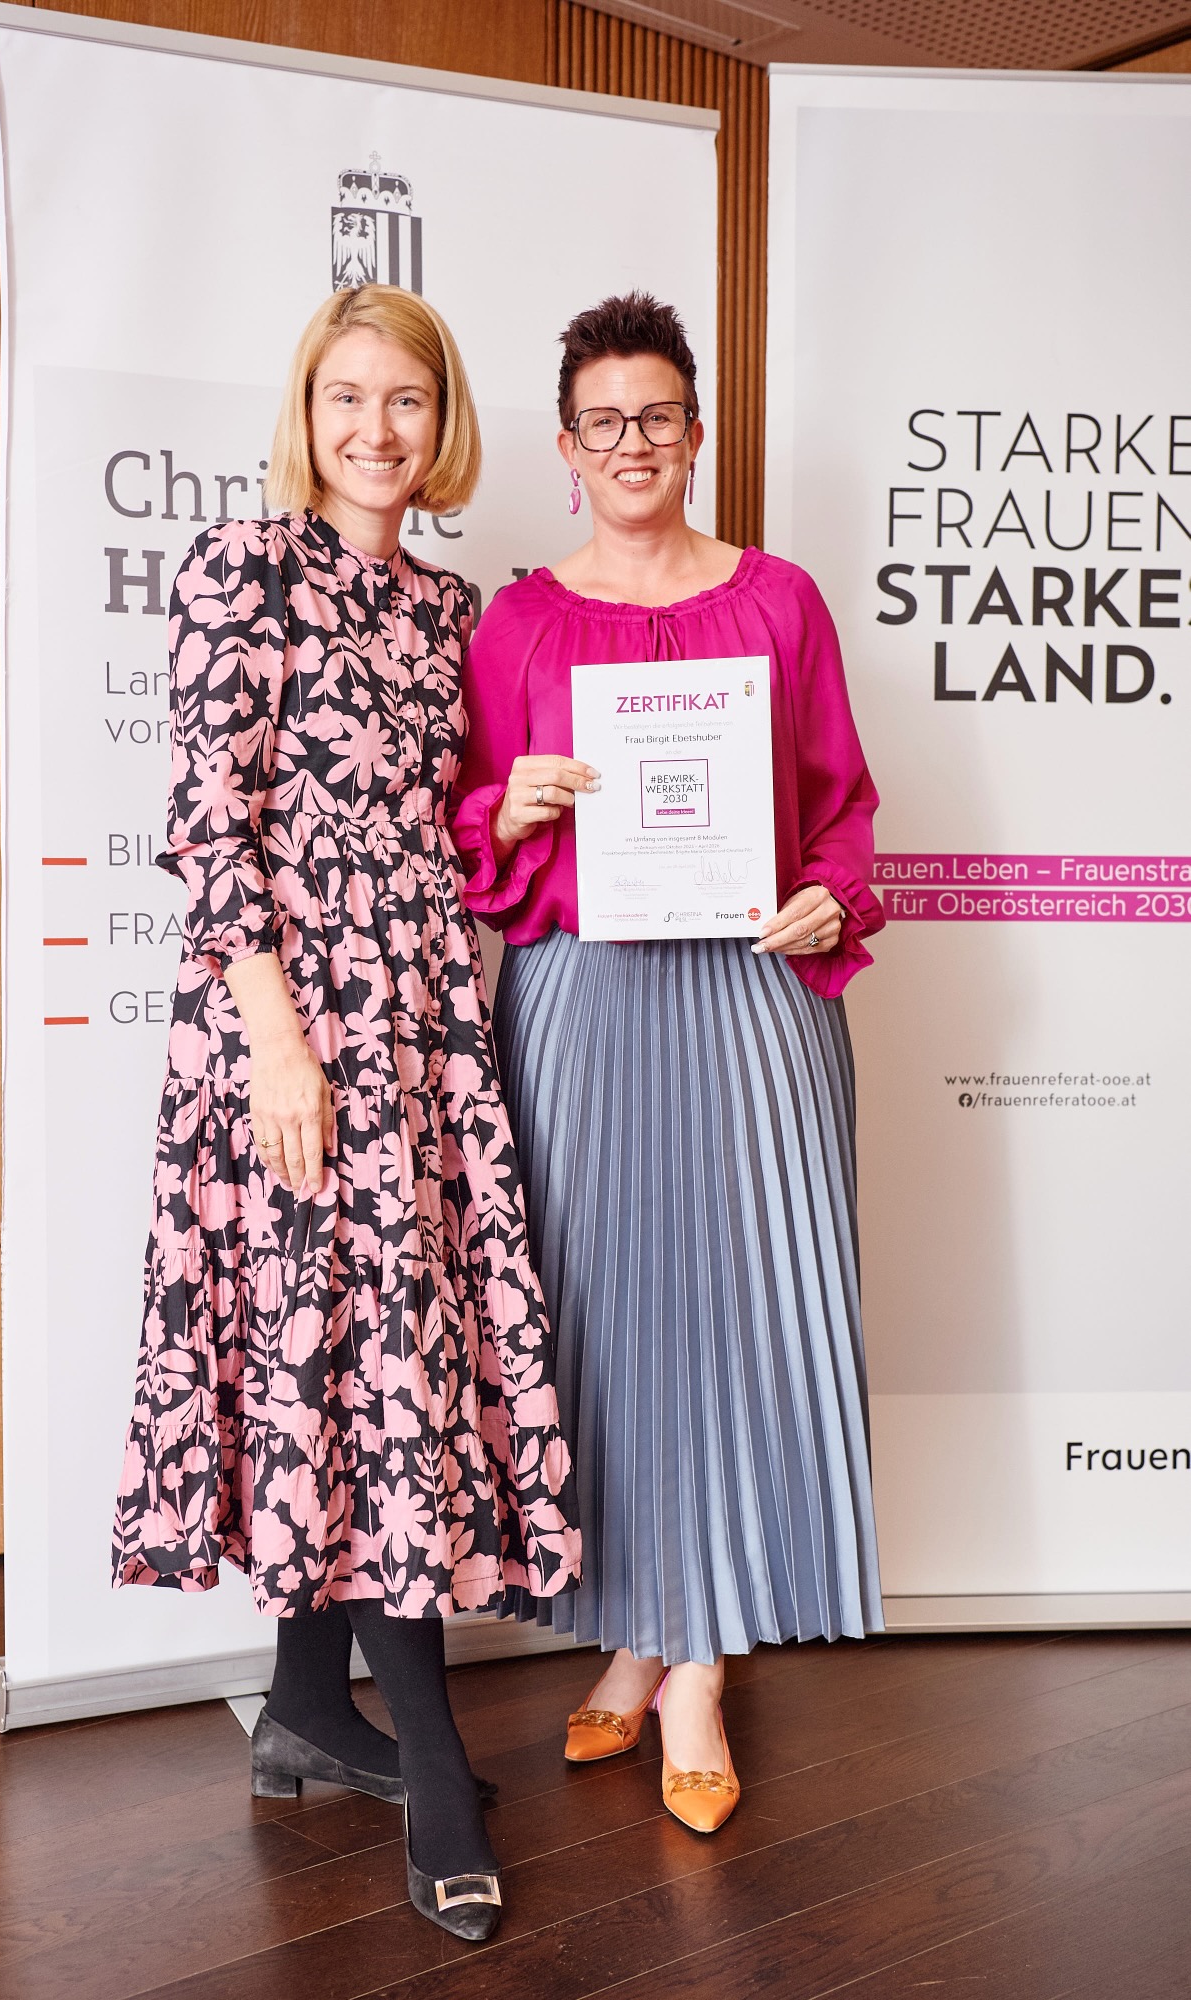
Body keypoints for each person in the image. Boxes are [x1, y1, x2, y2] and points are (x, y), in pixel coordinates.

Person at [111, 282, 580, 1940]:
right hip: (293, 1027)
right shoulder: (243, 566)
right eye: (346, 397)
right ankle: (435, 1770)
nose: (376, 429)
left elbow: (429, 833)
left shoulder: (454, 612)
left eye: (405, 399)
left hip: (425, 1024)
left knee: (355, 1357)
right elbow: (209, 822)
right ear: (305, 416)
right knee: (370, 1373)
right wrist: (278, 1045)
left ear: (441, 421)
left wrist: (500, 813)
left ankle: (309, 1710)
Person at [451, 291, 884, 1836]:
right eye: (602, 423)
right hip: (582, 1000)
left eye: (655, 417)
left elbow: (839, 804)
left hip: (754, 999)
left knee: (746, 1312)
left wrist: (832, 893)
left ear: (695, 434)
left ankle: (695, 1667)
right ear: (565, 449)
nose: (630, 444)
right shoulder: (515, 623)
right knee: (603, 1320)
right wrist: (506, 811)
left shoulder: (780, 601)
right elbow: (461, 815)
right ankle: (636, 1630)